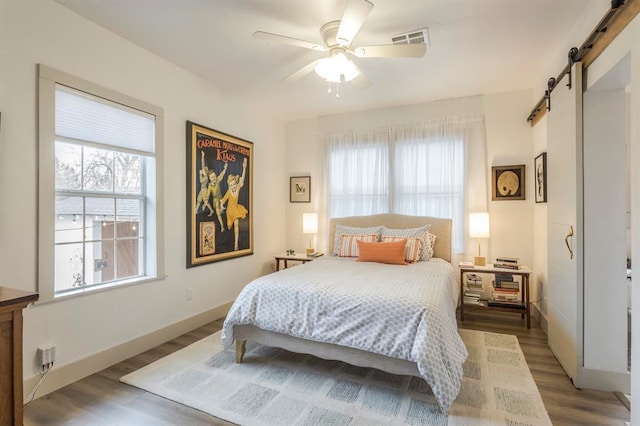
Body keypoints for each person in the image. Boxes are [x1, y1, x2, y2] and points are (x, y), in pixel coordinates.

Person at [221, 157, 248, 251]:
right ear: (229, 185)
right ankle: (229, 224)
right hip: (229, 211)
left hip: (235, 209)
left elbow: (242, 179)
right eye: (230, 185)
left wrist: (244, 167)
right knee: (229, 226)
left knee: (236, 224)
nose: (232, 186)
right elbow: (222, 201)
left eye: (233, 184)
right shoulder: (228, 192)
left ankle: (236, 244)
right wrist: (221, 207)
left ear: (235, 184)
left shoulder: (237, 188)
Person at [207, 162, 228, 232]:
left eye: (214, 176)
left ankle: (224, 216)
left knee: (223, 211)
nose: (214, 178)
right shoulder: (210, 186)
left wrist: (225, 168)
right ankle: (222, 226)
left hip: (221, 199)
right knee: (218, 212)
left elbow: (222, 174)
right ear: (209, 178)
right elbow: (207, 194)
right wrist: (206, 200)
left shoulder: (217, 180)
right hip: (215, 201)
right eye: (212, 177)